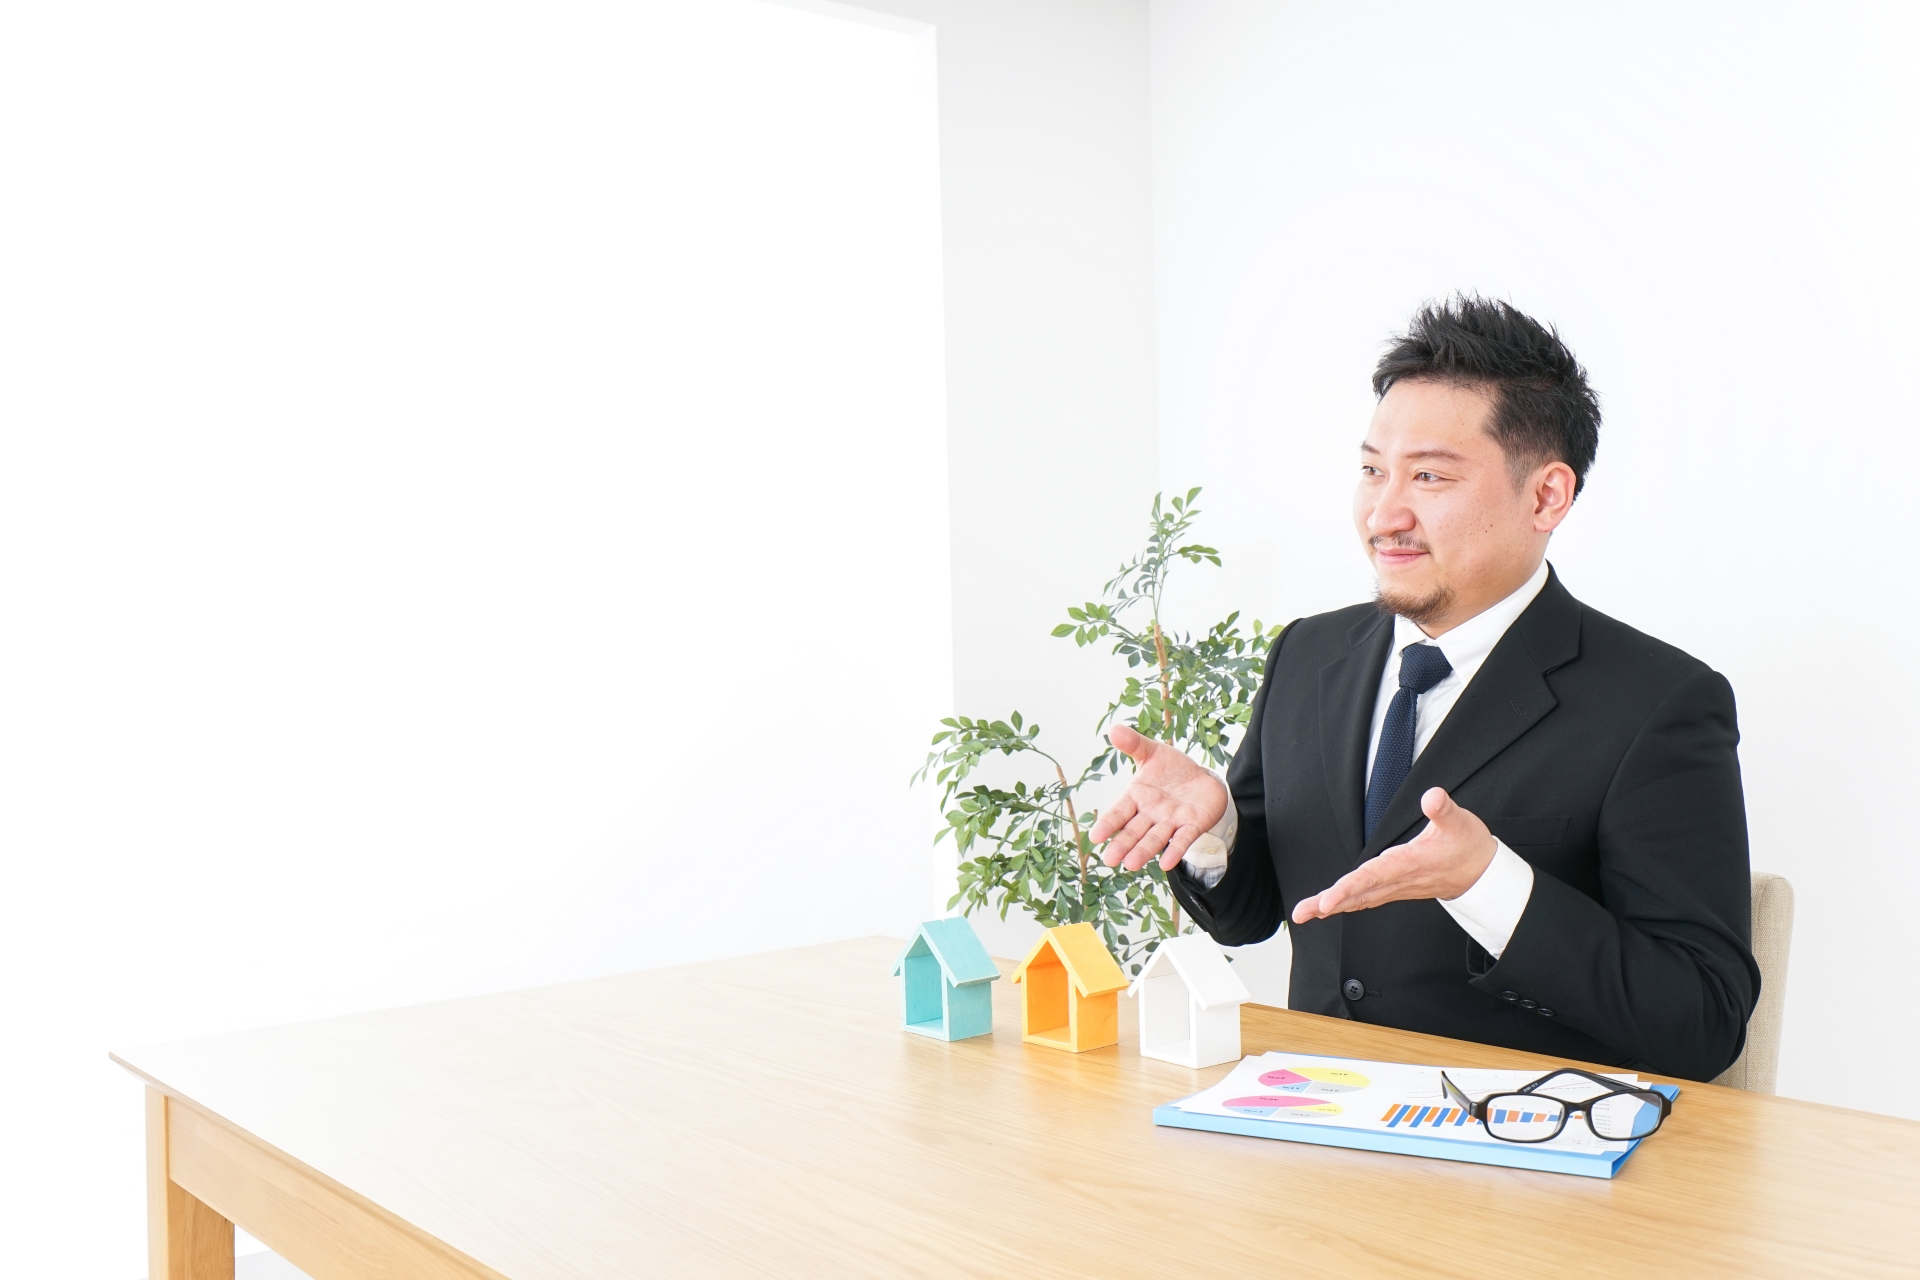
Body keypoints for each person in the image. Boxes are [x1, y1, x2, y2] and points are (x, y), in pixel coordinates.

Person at [1090, 296, 1757, 1081]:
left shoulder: (1659, 703)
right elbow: (1252, 916)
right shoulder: (1308, 654)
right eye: (1373, 471)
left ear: (1547, 496)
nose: (1384, 514)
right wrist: (1215, 834)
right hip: (1314, 1109)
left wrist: (1490, 884)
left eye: (1430, 476)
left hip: (1516, 1134)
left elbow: (1702, 1021)